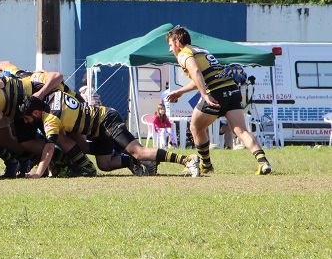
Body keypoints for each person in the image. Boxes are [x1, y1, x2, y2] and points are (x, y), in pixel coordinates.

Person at [164, 26, 271, 175]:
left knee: (195, 127)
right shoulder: (200, 50)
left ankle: (206, 165)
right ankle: (263, 161)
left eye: (170, 45)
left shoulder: (183, 53)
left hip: (216, 93)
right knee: (241, 130)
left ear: (177, 42)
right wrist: (181, 91)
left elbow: (195, 72)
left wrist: (205, 95)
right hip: (232, 89)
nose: (170, 50)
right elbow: (200, 78)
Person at [17, 92, 201, 178]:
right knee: (104, 164)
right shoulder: (54, 95)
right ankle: (136, 162)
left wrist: (38, 172)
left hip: (106, 120)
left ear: (35, 113)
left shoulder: (50, 119)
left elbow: (49, 147)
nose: (26, 122)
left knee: (139, 151)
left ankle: (187, 160)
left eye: (26, 118)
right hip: (98, 129)